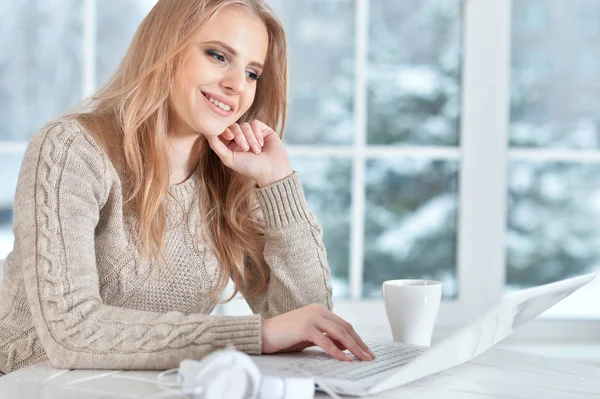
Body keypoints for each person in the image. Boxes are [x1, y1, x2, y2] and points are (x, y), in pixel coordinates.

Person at [0, 0, 375, 376]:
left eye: (252, 74)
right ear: (167, 47)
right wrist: (252, 336)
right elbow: (70, 332)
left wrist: (278, 183)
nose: (236, 85)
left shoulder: (231, 177)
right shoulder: (72, 149)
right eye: (217, 55)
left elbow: (306, 319)